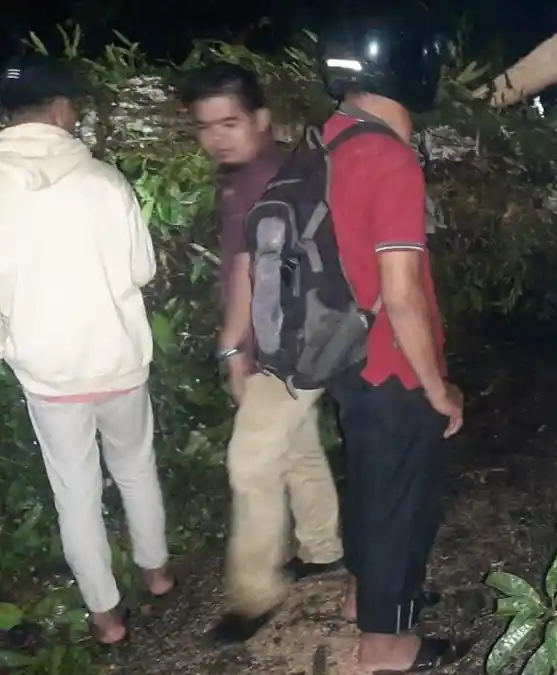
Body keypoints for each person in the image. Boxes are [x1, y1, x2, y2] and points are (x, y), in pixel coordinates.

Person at [0, 55, 173, 644]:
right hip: (117, 357)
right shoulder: (105, 181)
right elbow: (142, 269)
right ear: (60, 111)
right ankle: (157, 573)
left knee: (74, 492)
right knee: (135, 468)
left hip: (48, 372)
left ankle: (105, 618)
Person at [316, 9, 468, 672]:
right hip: (389, 360)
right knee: (401, 499)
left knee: (373, 483)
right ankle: (386, 644)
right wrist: (439, 388)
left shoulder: (332, 137)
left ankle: (367, 595)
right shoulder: (388, 157)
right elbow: (402, 293)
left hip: (344, 350)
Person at [179, 64, 346, 644]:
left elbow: (249, 269)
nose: (217, 137)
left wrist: (232, 350)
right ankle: (323, 550)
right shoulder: (257, 170)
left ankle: (255, 595)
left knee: (249, 464)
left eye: (230, 122)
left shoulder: (262, 180)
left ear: (261, 120)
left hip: (287, 347)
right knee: (294, 446)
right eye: (205, 126)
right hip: (301, 340)